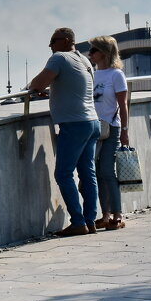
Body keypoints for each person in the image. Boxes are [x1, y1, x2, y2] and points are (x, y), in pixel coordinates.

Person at [28, 27, 99, 237]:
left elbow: (37, 83)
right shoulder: (85, 61)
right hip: (92, 121)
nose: (50, 45)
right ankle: (90, 220)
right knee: (88, 173)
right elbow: (74, 86)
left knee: (63, 173)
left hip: (74, 123)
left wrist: (38, 88)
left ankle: (78, 222)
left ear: (66, 40)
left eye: (53, 40)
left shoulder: (59, 58)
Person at [88, 35, 129, 230]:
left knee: (106, 170)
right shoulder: (92, 74)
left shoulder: (116, 75)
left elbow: (123, 104)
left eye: (93, 50)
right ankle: (104, 215)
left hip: (111, 128)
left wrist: (125, 131)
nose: (90, 54)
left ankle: (117, 214)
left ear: (103, 53)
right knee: (95, 172)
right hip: (94, 127)